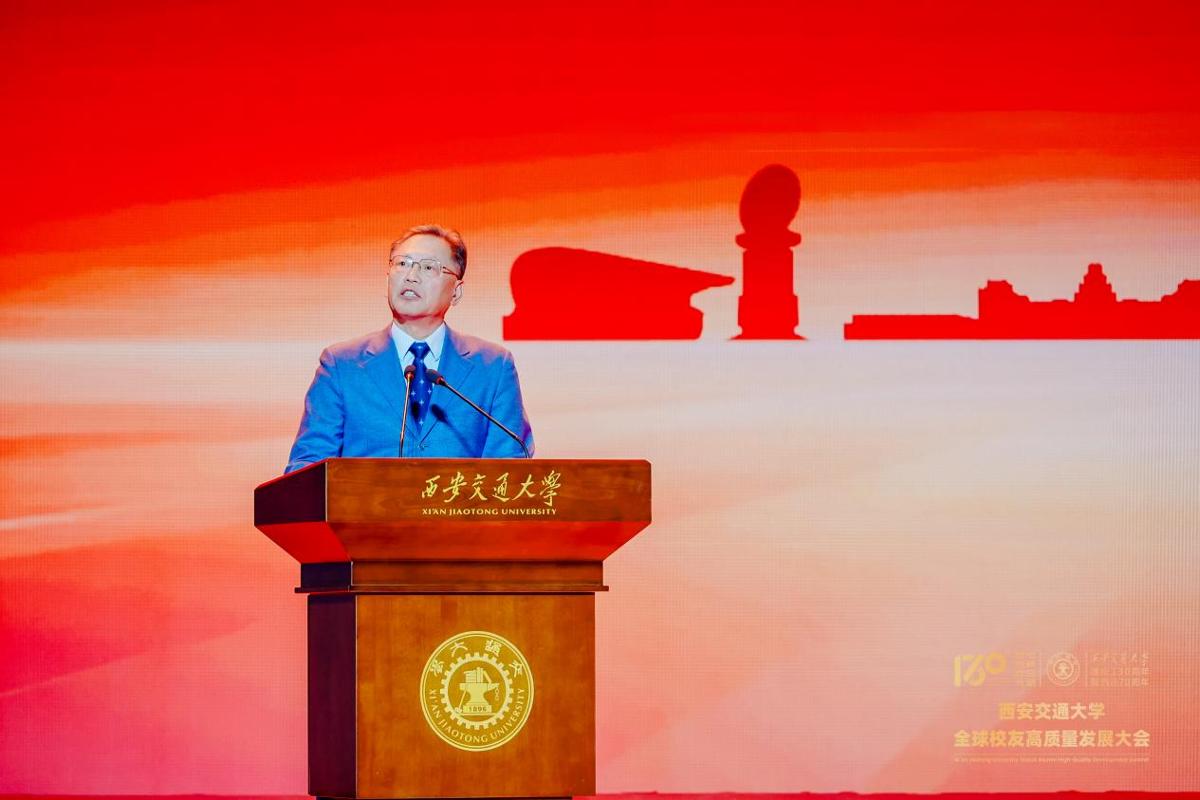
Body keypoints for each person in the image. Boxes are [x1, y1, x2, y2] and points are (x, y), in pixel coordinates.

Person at [285, 225, 533, 473]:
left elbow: (510, 468)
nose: (411, 276)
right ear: (388, 278)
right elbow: (307, 467)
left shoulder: (493, 367)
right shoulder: (341, 365)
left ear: (456, 292)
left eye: (428, 267)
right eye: (402, 264)